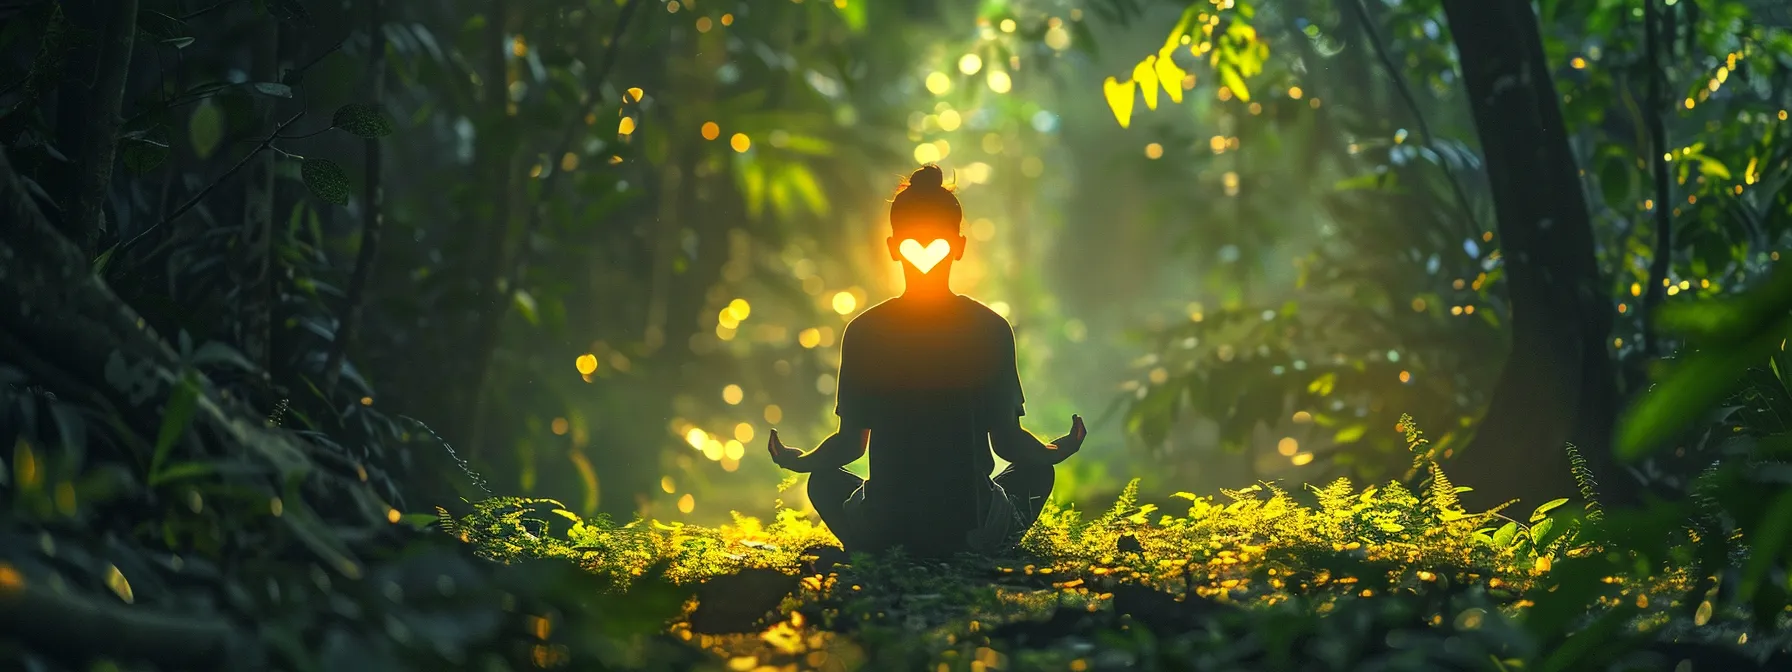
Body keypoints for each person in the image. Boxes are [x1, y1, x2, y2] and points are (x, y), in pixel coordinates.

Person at [766, 164, 1086, 559]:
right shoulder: (990, 328)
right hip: (969, 529)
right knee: (1037, 472)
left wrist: (801, 461)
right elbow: (1008, 443)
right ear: (960, 245)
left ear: (890, 246)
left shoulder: (865, 331)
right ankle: (980, 548)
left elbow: (851, 445)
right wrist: (1056, 452)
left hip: (886, 530)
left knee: (823, 481)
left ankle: (874, 547)